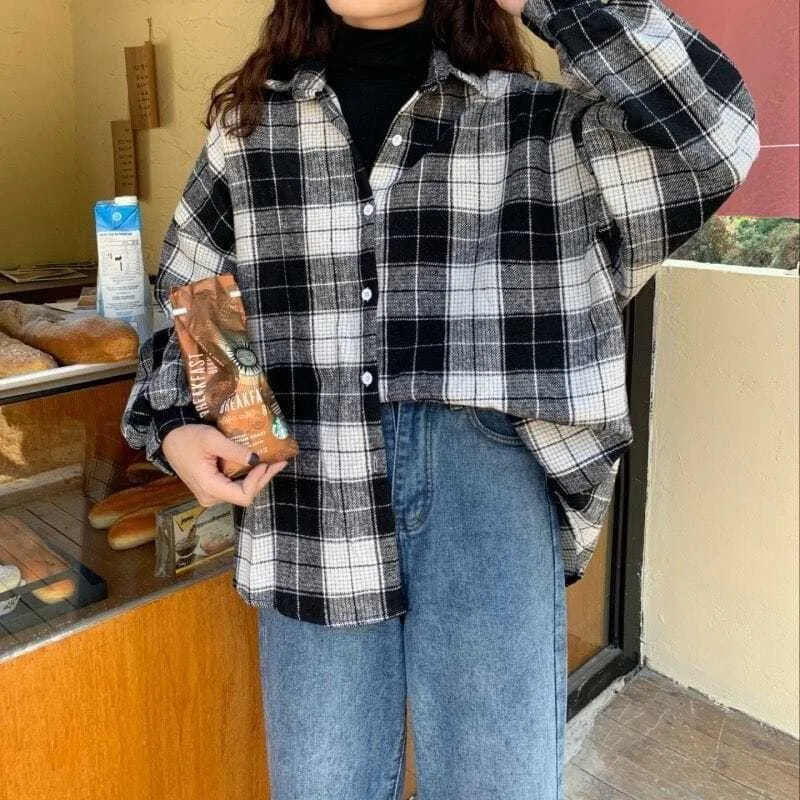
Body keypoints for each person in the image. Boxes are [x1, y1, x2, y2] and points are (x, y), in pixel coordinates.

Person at [122, 0, 759, 797]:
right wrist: (182, 424)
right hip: (308, 491)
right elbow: (194, 290)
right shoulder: (248, 132)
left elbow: (711, 138)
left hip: (488, 482)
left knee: (495, 782)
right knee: (322, 784)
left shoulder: (542, 129)